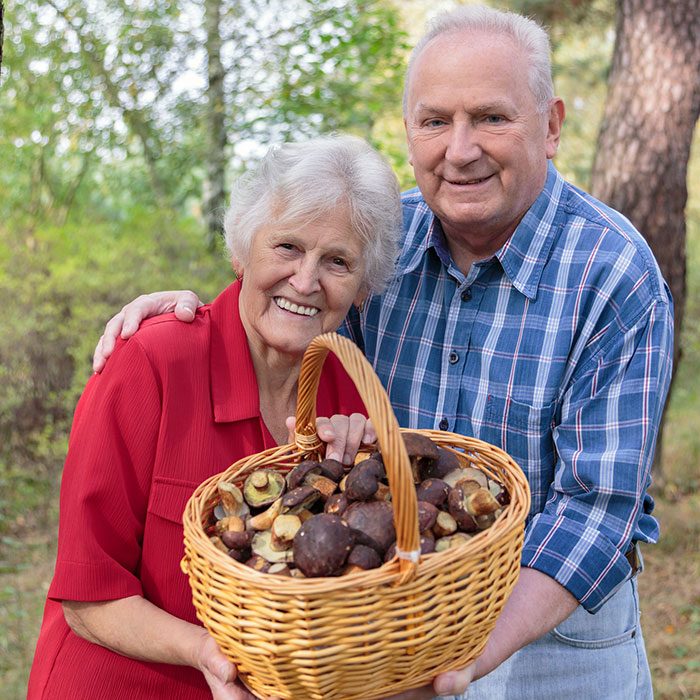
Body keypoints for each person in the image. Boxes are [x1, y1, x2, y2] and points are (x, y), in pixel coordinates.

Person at [90, 6, 674, 700]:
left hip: (554, 638)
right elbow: (289, 314)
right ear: (409, 132)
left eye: (491, 117)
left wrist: (466, 654)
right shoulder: (376, 246)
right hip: (386, 630)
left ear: (550, 126)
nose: (459, 150)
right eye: (434, 121)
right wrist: (180, 314)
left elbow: (598, 507)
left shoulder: (612, 273)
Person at [27, 134, 406, 700]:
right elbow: (88, 595)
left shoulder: (348, 393)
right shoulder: (152, 363)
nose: (305, 281)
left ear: (361, 290)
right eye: (286, 248)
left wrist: (353, 490)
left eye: (337, 261)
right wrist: (208, 653)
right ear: (240, 250)